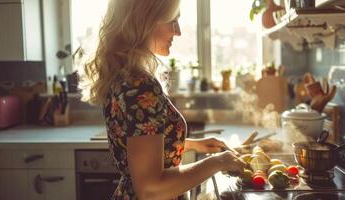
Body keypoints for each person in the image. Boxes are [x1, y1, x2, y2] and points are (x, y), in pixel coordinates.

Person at [79, 0, 247, 199]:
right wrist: (218, 162)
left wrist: (190, 144)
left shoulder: (126, 76)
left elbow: (140, 143)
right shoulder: (140, 85)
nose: (178, 32)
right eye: (172, 21)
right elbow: (151, 189)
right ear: (146, 21)